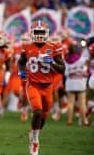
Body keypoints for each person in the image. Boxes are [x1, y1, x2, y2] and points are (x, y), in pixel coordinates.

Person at [18, 20, 65, 155]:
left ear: (47, 33)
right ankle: (35, 141)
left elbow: (62, 69)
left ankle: (34, 133)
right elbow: (21, 62)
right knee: (37, 111)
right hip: (33, 85)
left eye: (41, 32)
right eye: (36, 32)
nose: (39, 35)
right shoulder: (27, 47)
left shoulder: (54, 46)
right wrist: (21, 71)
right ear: (32, 33)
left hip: (48, 87)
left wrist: (52, 63)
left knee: (44, 116)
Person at [64, 39, 90, 126]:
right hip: (80, 83)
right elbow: (86, 71)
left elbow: (66, 73)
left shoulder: (66, 60)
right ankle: (85, 121)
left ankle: (69, 120)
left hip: (70, 83)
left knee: (70, 103)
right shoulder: (82, 59)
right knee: (82, 103)